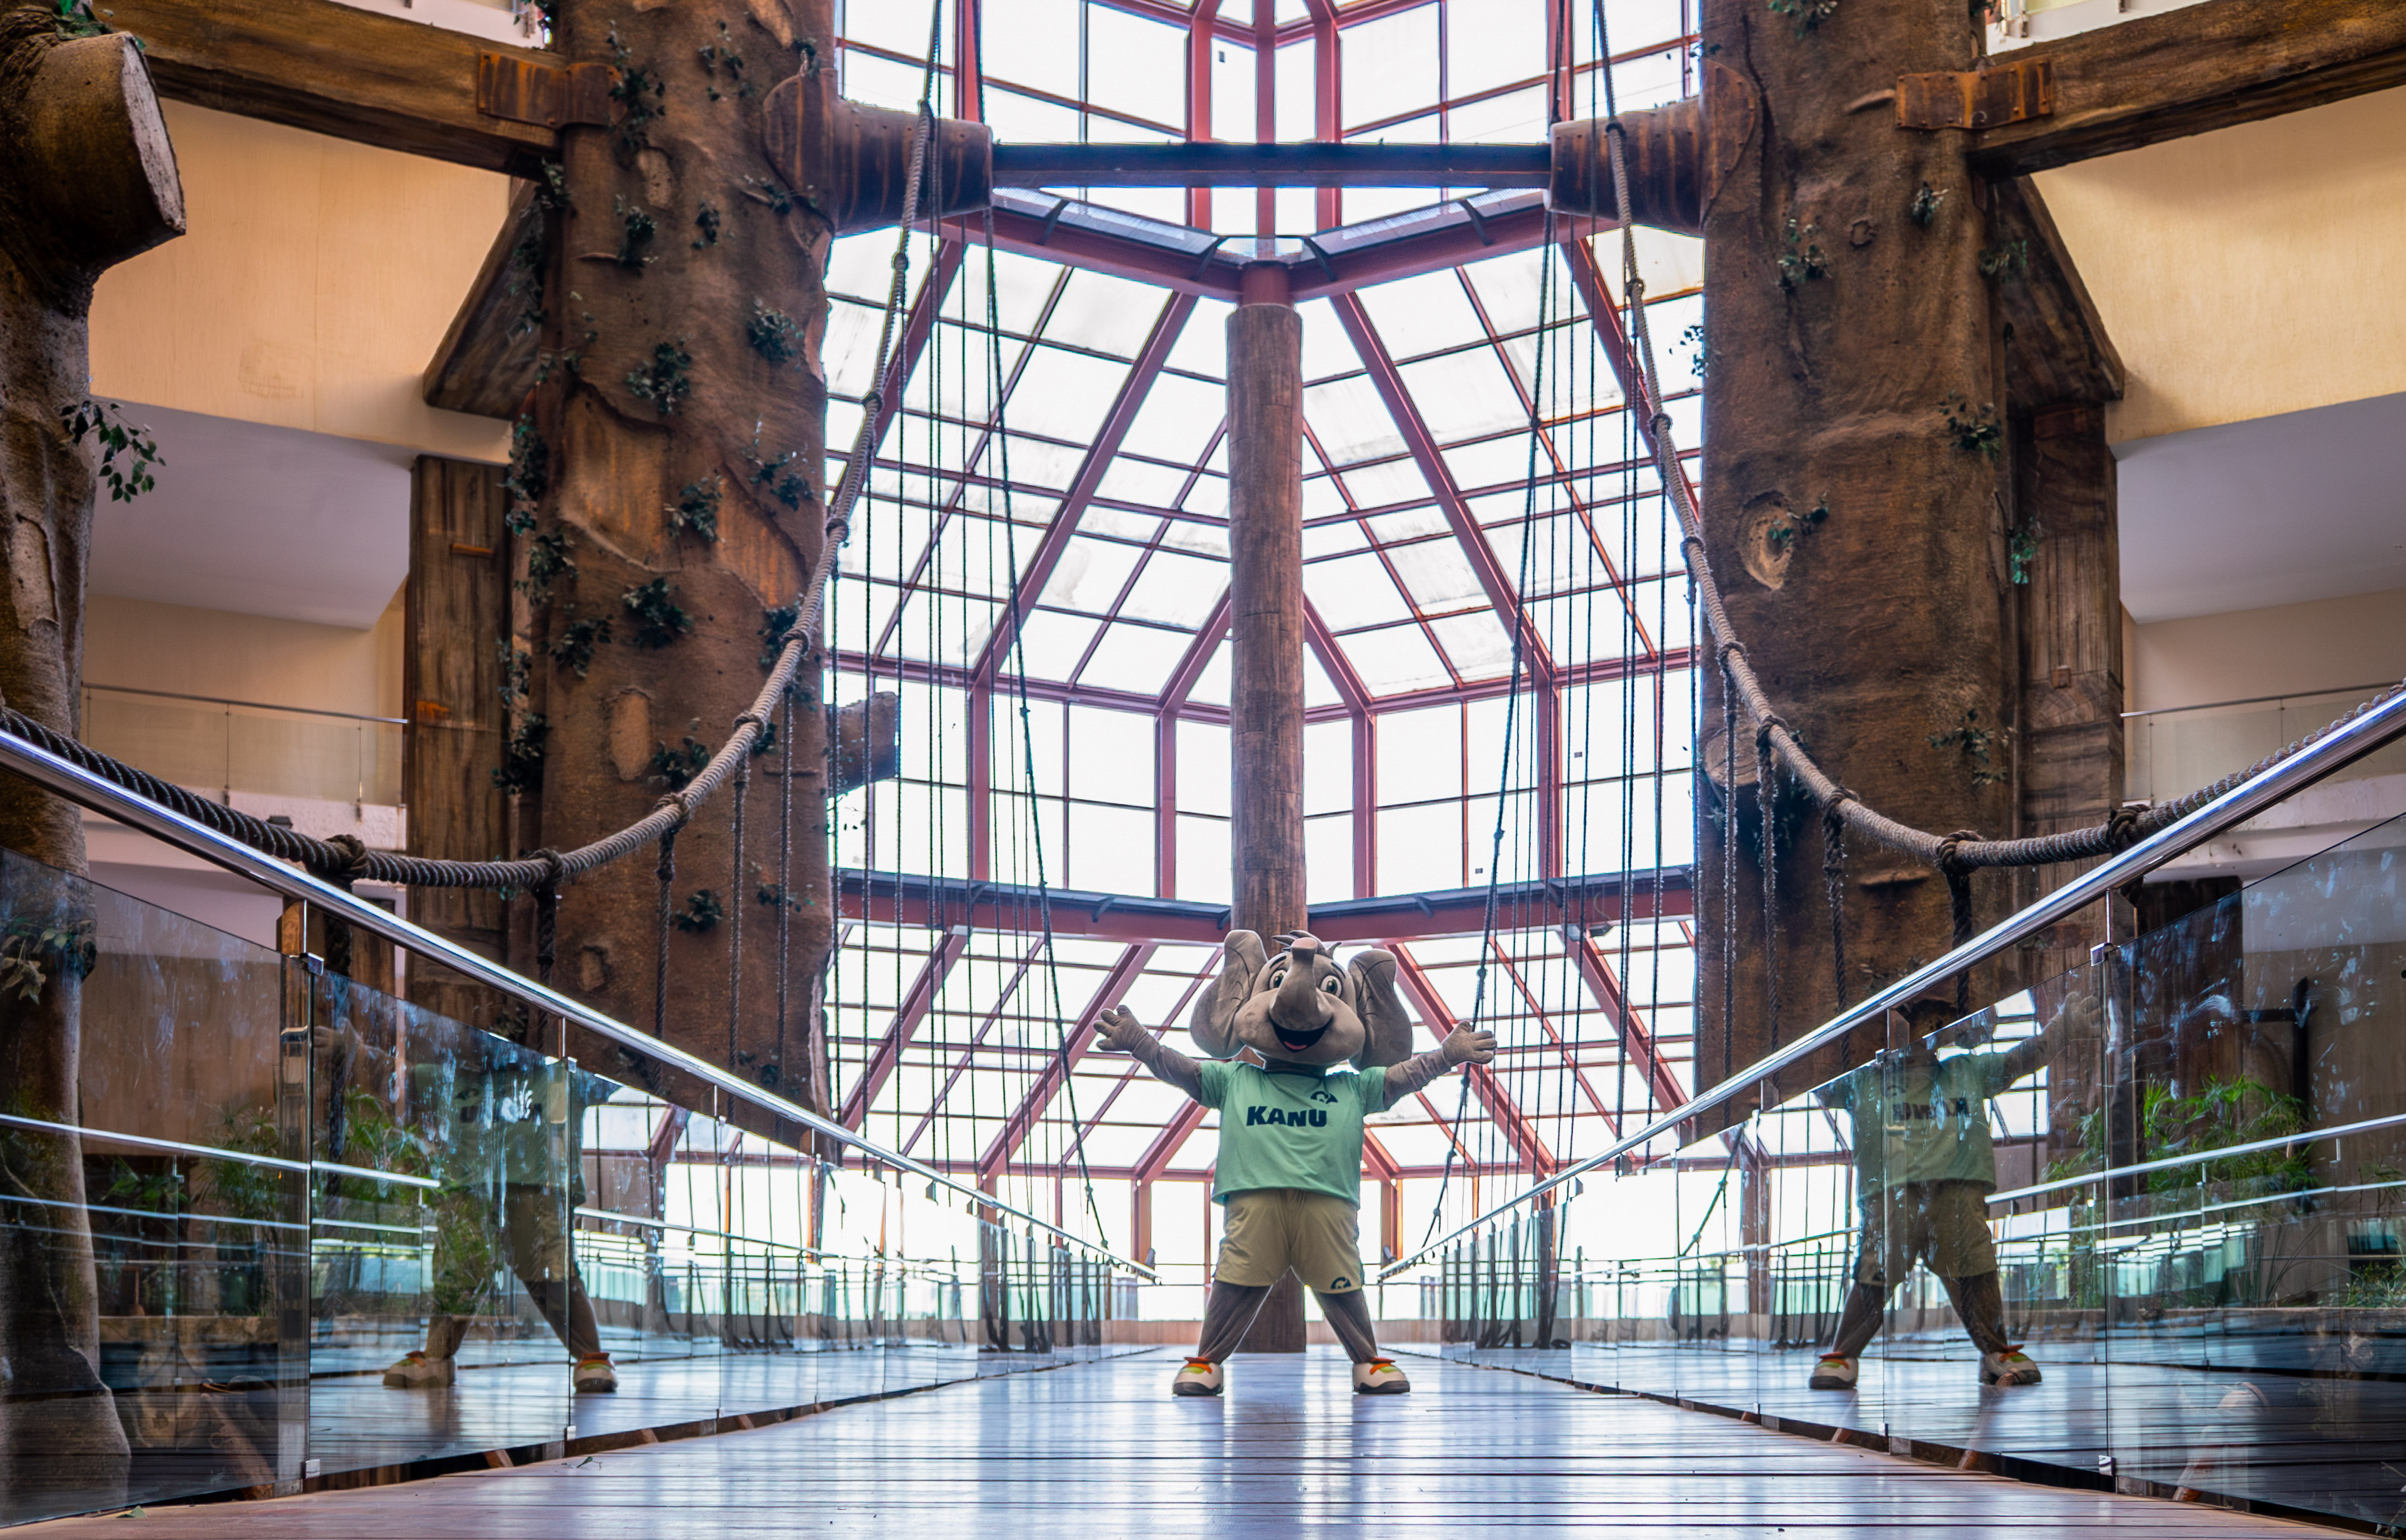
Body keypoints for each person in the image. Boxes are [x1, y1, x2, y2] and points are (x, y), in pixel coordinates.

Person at [1096, 930, 1495, 1397]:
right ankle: (1207, 1362)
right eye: (1281, 979)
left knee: (1344, 1287)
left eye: (1331, 989)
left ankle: (1368, 1360)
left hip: (1326, 1205)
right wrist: (1141, 1042)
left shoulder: (1354, 1085)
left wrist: (1447, 1055)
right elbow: (1180, 1068)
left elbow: (1405, 1076)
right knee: (1233, 1284)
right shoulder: (1235, 1078)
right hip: (1254, 1201)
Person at [1808, 988, 2095, 1391]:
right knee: (1877, 1268)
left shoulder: (1965, 1070)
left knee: (1975, 1268)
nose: (1920, 1035)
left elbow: (2020, 1060)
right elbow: (1817, 1081)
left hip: (1958, 1184)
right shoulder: (1863, 1078)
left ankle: (1996, 1349)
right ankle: (1843, 1353)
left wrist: (2063, 1026)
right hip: (1892, 1190)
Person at [319, 1018, 621, 1393]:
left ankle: (591, 1355)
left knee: (550, 1272)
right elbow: (401, 1076)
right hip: (469, 1185)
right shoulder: (461, 1078)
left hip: (534, 1183)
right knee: (457, 1273)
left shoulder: (559, 1076)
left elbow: (615, 1069)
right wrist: (353, 1047)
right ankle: (437, 1356)